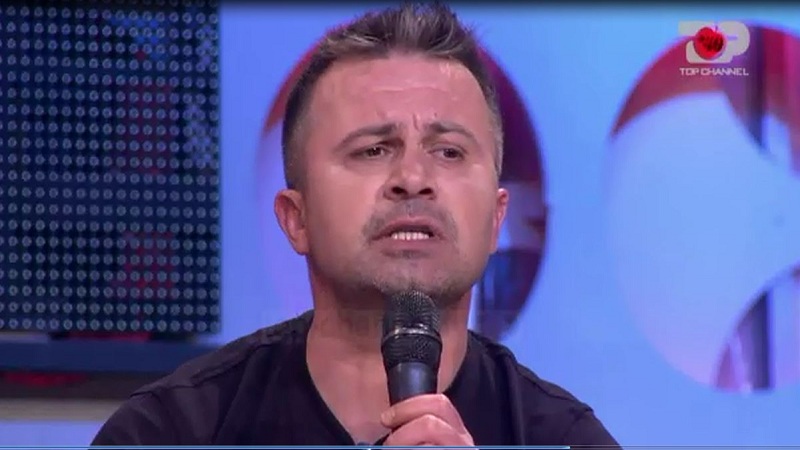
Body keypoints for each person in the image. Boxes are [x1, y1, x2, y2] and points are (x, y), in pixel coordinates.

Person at [91, 3, 620, 447]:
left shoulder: (564, 438)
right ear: (296, 219)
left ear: (497, 217)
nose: (413, 179)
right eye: (373, 149)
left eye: (449, 151)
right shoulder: (171, 431)